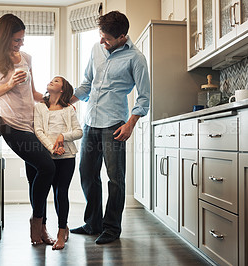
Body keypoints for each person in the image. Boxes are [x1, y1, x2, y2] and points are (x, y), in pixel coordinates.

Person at [69, 10, 150, 244]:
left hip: (115, 125)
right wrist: (64, 102)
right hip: (90, 123)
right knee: (87, 173)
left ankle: (112, 228)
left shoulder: (136, 58)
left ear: (122, 36)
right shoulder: (97, 49)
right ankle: (92, 223)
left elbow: (144, 97)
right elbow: (86, 84)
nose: (101, 41)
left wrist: (131, 124)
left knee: (115, 178)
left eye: (107, 38)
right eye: (100, 35)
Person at [0, 13, 55, 245]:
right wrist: (9, 84)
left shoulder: (26, 58)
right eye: (16, 40)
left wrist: (58, 99)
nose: (20, 44)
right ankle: (36, 223)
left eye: (22, 40)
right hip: (11, 126)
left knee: (35, 177)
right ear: (3, 38)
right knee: (47, 167)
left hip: (33, 126)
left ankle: (41, 228)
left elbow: (33, 94)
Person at [34, 76, 83, 250]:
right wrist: (52, 148)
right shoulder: (39, 107)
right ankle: (42, 228)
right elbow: (38, 130)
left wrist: (63, 136)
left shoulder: (69, 109)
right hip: (47, 156)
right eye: (51, 80)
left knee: (61, 193)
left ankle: (61, 232)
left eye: (56, 81)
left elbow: (78, 132)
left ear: (62, 89)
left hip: (67, 157)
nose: (51, 81)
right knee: (45, 192)